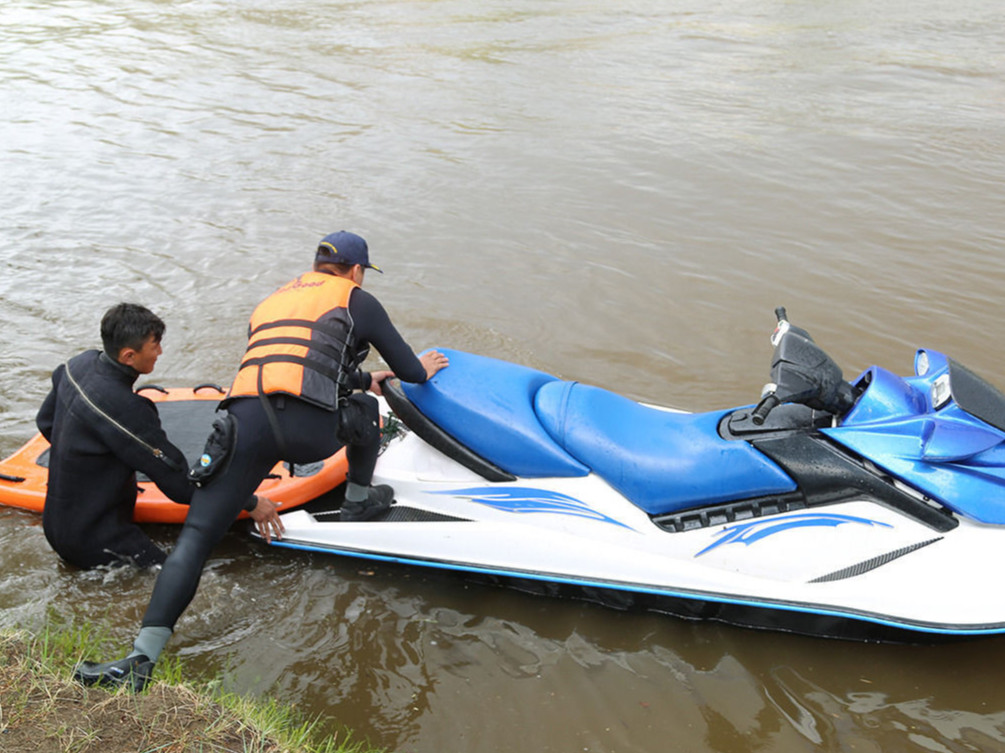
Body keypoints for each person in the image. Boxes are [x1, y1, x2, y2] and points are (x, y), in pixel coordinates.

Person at [74, 231, 449, 691]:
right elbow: (409, 370)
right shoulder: (356, 300)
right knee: (366, 411)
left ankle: (140, 659)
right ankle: (357, 500)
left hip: (243, 422)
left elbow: (291, 359)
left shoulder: (272, 301)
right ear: (356, 271)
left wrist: (360, 376)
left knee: (196, 536)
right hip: (307, 431)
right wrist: (420, 371)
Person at [36, 303, 278, 570]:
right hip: (95, 539)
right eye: (154, 346)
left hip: (56, 523)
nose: (160, 352)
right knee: (185, 578)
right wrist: (250, 502)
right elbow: (180, 485)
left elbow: (46, 422)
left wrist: (99, 466)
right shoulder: (127, 410)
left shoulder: (77, 365)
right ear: (129, 355)